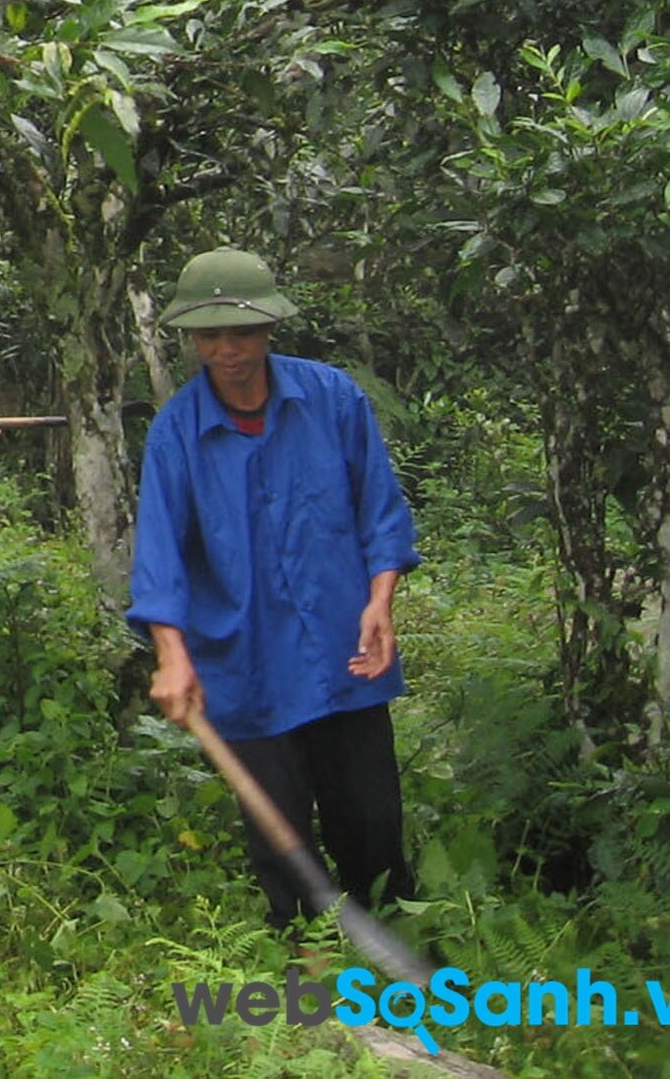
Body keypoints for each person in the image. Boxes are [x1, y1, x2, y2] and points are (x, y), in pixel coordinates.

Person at [128, 247, 421, 928]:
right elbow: (160, 556)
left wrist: (379, 603)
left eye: (241, 332)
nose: (227, 350)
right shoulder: (175, 432)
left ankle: (399, 945)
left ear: (268, 329)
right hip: (244, 662)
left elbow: (379, 511)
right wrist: (171, 656)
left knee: (371, 820)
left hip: (342, 648)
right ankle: (305, 967)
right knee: (279, 837)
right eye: (209, 335)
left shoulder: (330, 400)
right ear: (192, 341)